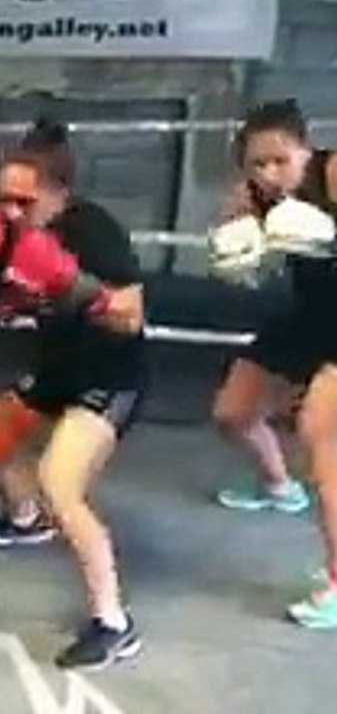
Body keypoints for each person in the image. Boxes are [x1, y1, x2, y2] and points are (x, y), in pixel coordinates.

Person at [0, 118, 146, 669]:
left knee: (62, 485)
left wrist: (77, 290)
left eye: (24, 200)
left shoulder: (96, 231)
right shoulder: (3, 230)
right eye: (2, 198)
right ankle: (23, 521)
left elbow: (131, 318)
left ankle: (114, 623)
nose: (11, 211)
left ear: (59, 193)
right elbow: (5, 307)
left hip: (109, 377)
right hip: (55, 368)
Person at [206, 99, 337, 628]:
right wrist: (238, 253)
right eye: (257, 163)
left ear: (307, 150)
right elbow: (242, 263)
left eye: (280, 160)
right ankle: (280, 488)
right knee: (233, 413)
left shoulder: (333, 174)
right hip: (311, 316)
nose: (269, 172)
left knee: (322, 438)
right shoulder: (255, 195)